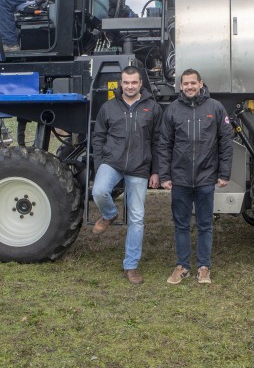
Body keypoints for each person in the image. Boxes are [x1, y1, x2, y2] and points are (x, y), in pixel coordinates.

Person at [157, 69, 233, 285]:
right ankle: (182, 266)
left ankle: (204, 267)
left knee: (205, 224)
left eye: (193, 83)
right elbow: (164, 145)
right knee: (180, 224)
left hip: (206, 177)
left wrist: (224, 173)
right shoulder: (172, 110)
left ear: (201, 84)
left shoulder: (215, 108)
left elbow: (225, 143)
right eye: (185, 84)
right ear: (180, 87)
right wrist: (165, 174)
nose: (189, 87)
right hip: (180, 178)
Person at [90, 66, 163, 284]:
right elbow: (98, 137)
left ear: (141, 83)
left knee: (137, 218)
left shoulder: (153, 108)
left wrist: (156, 170)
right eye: (126, 82)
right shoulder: (108, 107)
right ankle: (110, 214)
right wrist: (99, 164)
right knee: (100, 191)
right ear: (121, 84)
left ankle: (131, 266)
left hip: (140, 167)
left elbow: (159, 142)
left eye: (134, 82)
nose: (129, 86)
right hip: (112, 162)